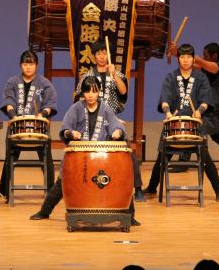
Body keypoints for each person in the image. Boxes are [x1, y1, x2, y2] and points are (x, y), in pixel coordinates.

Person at [29, 76, 140, 226]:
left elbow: (115, 125)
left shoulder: (105, 108)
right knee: (63, 182)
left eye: (94, 91)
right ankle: (44, 211)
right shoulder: (76, 108)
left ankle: (130, 216)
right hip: (79, 155)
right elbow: (65, 128)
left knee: (119, 182)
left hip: (102, 157)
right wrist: (71, 133)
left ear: (99, 92)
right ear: (83, 93)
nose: (90, 95)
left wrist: (117, 132)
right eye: (87, 92)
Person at [142, 44, 219, 202]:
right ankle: (152, 188)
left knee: (205, 156)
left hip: (195, 123)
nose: (186, 60)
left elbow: (205, 99)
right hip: (174, 122)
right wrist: (167, 112)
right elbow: (165, 98)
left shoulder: (200, 77)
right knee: (162, 155)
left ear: (193, 59)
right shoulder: (171, 77)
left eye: (189, 57)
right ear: (178, 59)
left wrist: (199, 111)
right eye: (182, 57)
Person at [75, 39, 145, 202]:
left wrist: (113, 74)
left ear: (108, 54)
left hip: (112, 121)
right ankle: (79, 186)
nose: (101, 56)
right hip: (90, 121)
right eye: (98, 53)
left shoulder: (117, 74)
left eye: (104, 53)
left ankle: (138, 188)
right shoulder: (87, 76)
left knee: (127, 151)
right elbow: (80, 99)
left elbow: (123, 91)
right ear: (93, 56)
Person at [0, 50, 57, 200]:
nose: (28, 67)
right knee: (9, 157)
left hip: (38, 127)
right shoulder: (12, 82)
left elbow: (50, 103)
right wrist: (14, 117)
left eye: (31, 63)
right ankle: (4, 189)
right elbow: (8, 101)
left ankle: (52, 191)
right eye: (25, 64)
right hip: (17, 126)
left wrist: (43, 114)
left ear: (36, 65)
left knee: (47, 158)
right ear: (21, 65)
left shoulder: (45, 83)